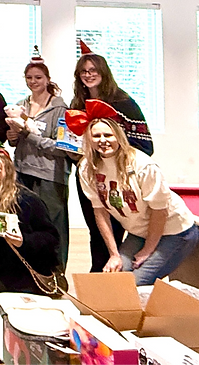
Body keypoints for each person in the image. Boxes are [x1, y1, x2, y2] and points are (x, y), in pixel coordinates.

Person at [75, 109, 197, 286]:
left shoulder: (143, 165)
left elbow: (159, 212)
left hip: (175, 231)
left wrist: (148, 250)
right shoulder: (87, 167)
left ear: (119, 136)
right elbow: (100, 212)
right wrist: (114, 254)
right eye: (96, 136)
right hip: (139, 232)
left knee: (135, 284)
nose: (102, 141)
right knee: (117, 278)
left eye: (108, 135)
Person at [71, 46, 154, 273]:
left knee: (116, 228)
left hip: (117, 177)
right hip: (89, 176)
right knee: (96, 229)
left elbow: (146, 146)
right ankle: (98, 273)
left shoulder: (124, 103)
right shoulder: (77, 104)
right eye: (83, 71)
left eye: (92, 70)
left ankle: (115, 272)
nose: (88, 75)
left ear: (104, 72)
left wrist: (112, 153)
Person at [5, 57, 71, 270]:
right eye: (29, 77)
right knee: (25, 224)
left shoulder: (60, 109)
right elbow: (16, 142)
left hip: (50, 176)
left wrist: (29, 135)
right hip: (22, 171)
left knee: (53, 226)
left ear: (47, 79)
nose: (33, 81)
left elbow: (62, 148)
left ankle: (56, 271)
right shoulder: (21, 106)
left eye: (38, 77)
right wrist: (13, 136)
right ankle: (31, 271)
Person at [0, 148, 60, 297]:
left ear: (8, 167)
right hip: (9, 269)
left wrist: (24, 241)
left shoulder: (27, 200)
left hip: (33, 271)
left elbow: (52, 238)